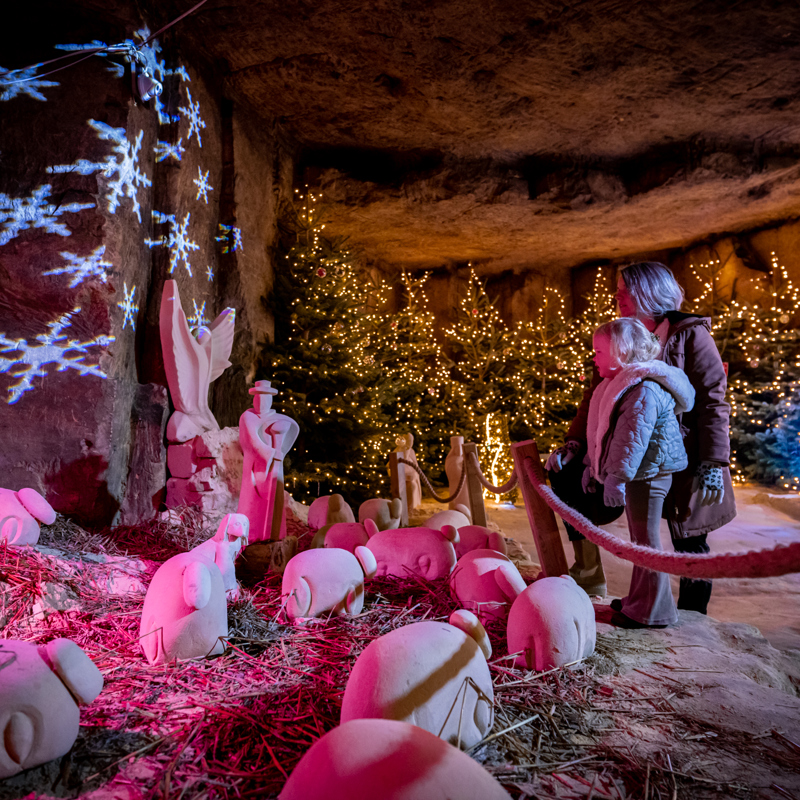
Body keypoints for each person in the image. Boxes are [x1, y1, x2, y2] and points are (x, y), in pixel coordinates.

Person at [547, 261, 736, 613]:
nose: (618, 296)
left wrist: (713, 460)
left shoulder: (689, 334)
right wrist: (576, 444)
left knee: (689, 538)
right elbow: (596, 397)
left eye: (626, 290)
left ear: (650, 291)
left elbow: (712, 399)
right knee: (637, 531)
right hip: (633, 451)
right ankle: (605, 581)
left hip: (682, 451)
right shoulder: (624, 334)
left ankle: (693, 615)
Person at [584, 318, 694, 626]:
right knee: (639, 540)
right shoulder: (623, 385)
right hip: (641, 472)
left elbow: (630, 441)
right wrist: (593, 467)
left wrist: (615, 478)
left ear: (622, 352)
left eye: (600, 351)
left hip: (648, 473)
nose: (594, 358)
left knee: (646, 542)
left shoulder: (642, 390)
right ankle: (639, 600)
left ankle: (654, 611)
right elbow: (613, 437)